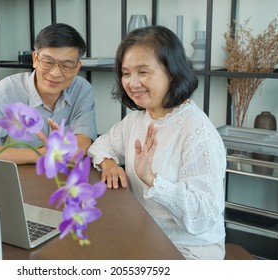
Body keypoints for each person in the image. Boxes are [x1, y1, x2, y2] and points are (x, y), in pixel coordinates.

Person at [87, 25, 226, 260]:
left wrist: (152, 180)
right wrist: (109, 164)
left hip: (189, 250)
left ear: (171, 72)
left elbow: (204, 215)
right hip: (145, 237)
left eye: (143, 72)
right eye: (126, 73)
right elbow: (101, 146)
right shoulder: (137, 119)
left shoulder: (198, 131)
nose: (132, 83)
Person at [0, 23, 97, 164]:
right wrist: (40, 154)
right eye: (48, 62)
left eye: (66, 65)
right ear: (35, 59)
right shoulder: (4, 92)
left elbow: (83, 138)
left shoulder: (82, 90)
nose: (55, 73)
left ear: (77, 67)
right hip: (13, 180)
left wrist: (68, 151)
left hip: (61, 179)